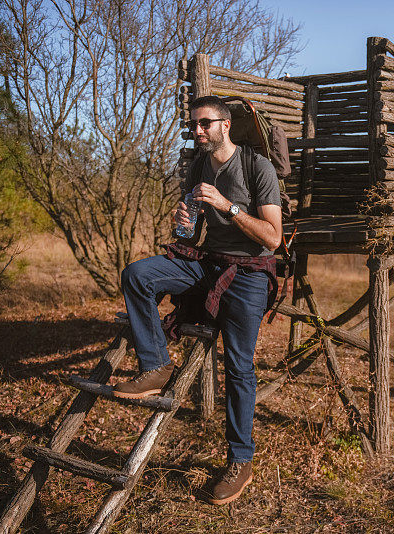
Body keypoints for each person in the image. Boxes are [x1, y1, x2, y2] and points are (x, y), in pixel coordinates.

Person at [113, 95, 282, 505]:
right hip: (208, 261)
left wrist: (228, 206)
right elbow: (190, 236)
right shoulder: (199, 166)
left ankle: (240, 460)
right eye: (193, 125)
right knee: (137, 274)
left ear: (225, 125)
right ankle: (155, 365)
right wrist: (184, 224)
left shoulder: (257, 167)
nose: (197, 131)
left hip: (249, 272)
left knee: (239, 365)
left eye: (205, 124)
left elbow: (273, 238)